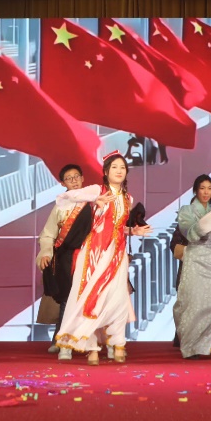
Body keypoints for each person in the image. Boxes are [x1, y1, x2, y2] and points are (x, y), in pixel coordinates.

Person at [54, 152, 151, 365]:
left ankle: (117, 343)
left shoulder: (128, 198)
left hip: (117, 253)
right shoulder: (98, 190)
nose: (119, 171)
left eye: (122, 167)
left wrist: (133, 231)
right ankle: (90, 347)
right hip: (95, 252)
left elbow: (118, 227)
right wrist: (93, 199)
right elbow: (63, 198)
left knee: (118, 297)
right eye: (114, 167)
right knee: (92, 297)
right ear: (106, 172)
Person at [37, 164, 95, 361]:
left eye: (76, 176)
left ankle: (88, 341)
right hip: (66, 259)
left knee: (90, 300)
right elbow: (48, 234)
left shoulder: (94, 201)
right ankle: (60, 339)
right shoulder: (60, 206)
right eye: (69, 178)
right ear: (63, 183)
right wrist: (46, 253)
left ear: (83, 178)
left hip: (89, 257)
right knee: (67, 299)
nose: (74, 181)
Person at [173, 174, 211, 359]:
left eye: (209, 188)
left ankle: (210, 344)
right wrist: (205, 226)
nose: (206, 192)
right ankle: (190, 346)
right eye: (202, 188)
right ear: (196, 190)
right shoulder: (187, 210)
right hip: (195, 255)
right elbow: (188, 232)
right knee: (194, 302)